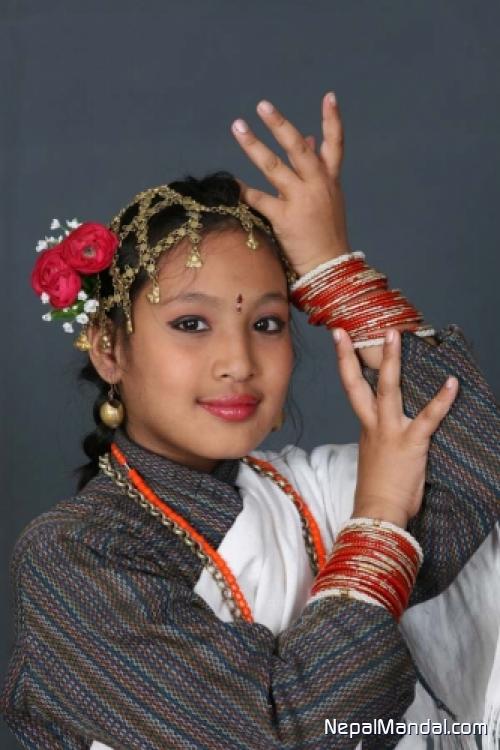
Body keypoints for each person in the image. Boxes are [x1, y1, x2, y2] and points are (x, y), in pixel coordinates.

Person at [0, 94, 498, 750]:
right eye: (191, 323)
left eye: (266, 323)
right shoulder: (76, 555)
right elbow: (276, 731)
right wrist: (379, 520)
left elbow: (475, 467)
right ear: (109, 348)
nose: (238, 362)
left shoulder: (311, 492)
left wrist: (334, 272)